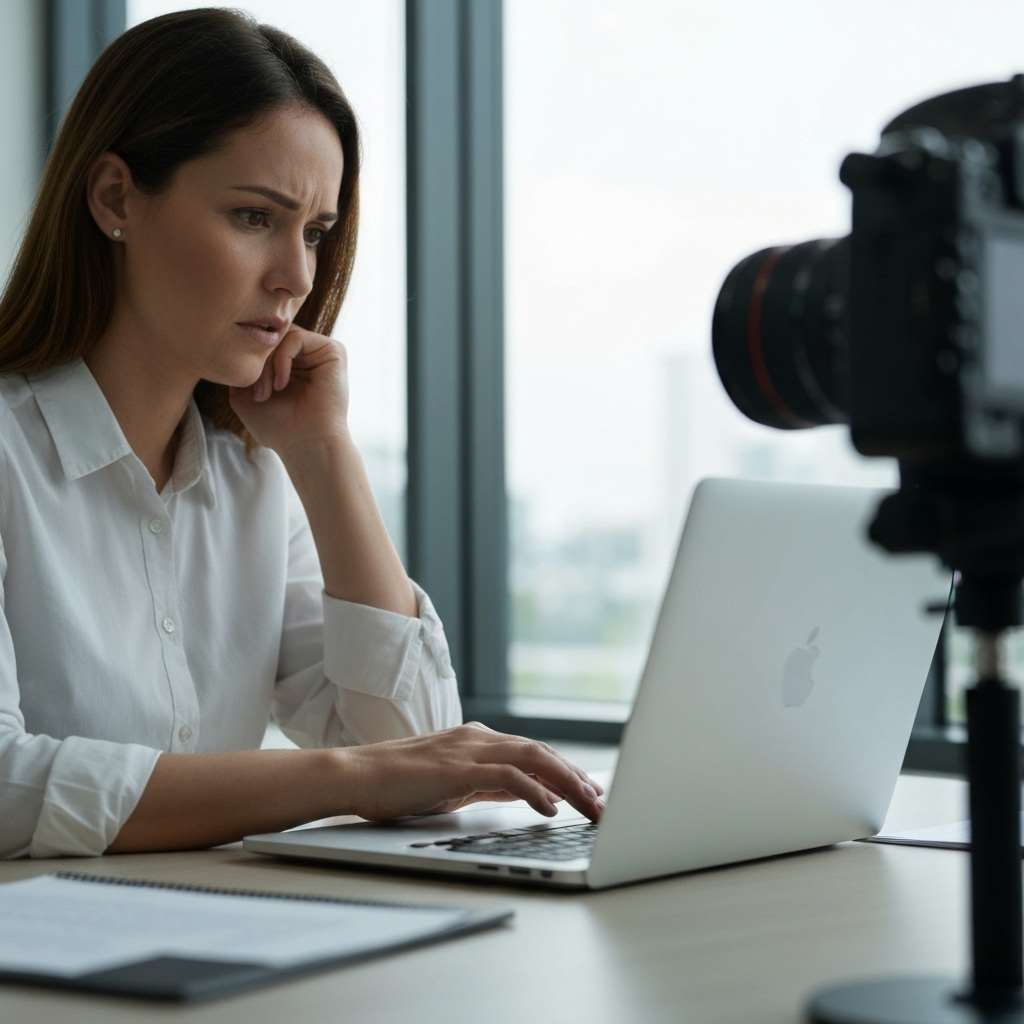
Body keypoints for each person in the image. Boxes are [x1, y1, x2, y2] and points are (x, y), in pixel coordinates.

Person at [0, 9, 602, 859]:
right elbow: (3, 785)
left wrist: (324, 456)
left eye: (314, 232)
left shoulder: (253, 479)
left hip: (219, 941)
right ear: (115, 198)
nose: (296, 276)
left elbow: (418, 747)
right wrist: (345, 776)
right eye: (254, 217)